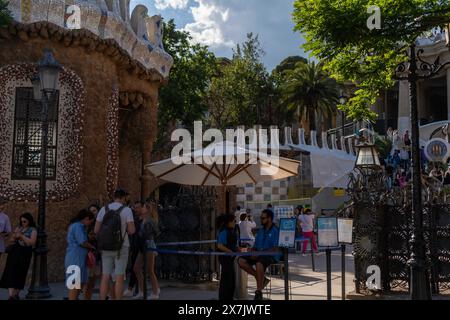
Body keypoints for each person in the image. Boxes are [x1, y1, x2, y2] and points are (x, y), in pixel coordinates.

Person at [95, 188, 136, 300]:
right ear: (124, 198)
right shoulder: (127, 210)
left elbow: (96, 230)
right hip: (121, 247)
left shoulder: (104, 209)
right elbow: (132, 230)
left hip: (106, 247)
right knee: (119, 277)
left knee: (105, 276)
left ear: (113, 197)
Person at [238, 209, 280, 301]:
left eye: (263, 218)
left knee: (259, 263)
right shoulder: (261, 230)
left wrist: (259, 254)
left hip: (270, 256)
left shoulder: (276, 231)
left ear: (269, 219)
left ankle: (259, 291)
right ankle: (260, 277)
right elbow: (255, 246)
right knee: (241, 261)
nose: (261, 219)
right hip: (258, 254)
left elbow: (275, 248)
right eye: (261, 218)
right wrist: (252, 251)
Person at [0, 213, 37, 300]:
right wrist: (14, 236)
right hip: (15, 252)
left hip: (25, 253)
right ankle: (11, 295)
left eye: (25, 221)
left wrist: (21, 236)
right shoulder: (18, 228)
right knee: (10, 271)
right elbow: (11, 240)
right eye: (21, 221)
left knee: (21, 272)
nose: (23, 223)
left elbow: (32, 242)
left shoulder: (33, 230)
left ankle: (16, 294)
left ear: (29, 221)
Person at [65, 209, 96, 300]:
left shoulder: (76, 226)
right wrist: (92, 247)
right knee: (75, 284)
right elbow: (82, 242)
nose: (90, 223)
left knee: (79, 284)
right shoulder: (78, 226)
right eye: (90, 221)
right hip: (75, 259)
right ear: (86, 218)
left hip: (78, 259)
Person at [133, 199, 161, 300]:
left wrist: (148, 234)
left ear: (148, 209)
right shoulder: (143, 219)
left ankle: (155, 292)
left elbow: (156, 232)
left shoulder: (150, 221)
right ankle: (142, 291)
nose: (142, 208)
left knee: (150, 270)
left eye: (144, 207)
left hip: (148, 245)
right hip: (142, 246)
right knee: (136, 268)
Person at [124, 201, 144, 298]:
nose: (136, 210)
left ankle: (141, 290)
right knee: (135, 268)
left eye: (138, 207)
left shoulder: (145, 220)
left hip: (143, 247)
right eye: (135, 208)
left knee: (138, 269)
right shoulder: (135, 219)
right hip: (135, 246)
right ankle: (132, 289)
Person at [217, 214, 239, 301]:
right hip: (225, 258)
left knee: (231, 278)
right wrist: (230, 252)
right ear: (229, 222)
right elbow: (220, 246)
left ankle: (229, 297)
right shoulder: (224, 231)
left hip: (231, 258)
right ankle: (224, 298)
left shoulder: (232, 230)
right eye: (234, 221)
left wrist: (238, 249)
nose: (235, 222)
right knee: (226, 278)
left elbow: (233, 244)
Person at [0, 197, 12, 263]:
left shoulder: (5, 217)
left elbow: (8, 231)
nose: (2, 206)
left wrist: (3, 234)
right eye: (1, 204)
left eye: (2, 204)